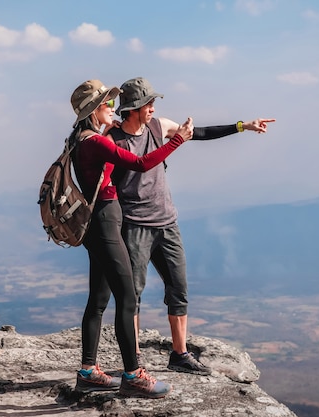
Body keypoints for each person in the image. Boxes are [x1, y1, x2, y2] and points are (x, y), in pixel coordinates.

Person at [107, 77, 275, 375]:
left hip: (167, 222)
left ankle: (180, 354)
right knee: (132, 295)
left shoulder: (159, 126)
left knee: (179, 288)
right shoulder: (114, 140)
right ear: (132, 109)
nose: (153, 107)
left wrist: (242, 125)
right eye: (148, 103)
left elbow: (201, 133)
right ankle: (134, 361)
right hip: (134, 226)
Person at [68, 79, 194, 398]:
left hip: (94, 226)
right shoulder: (95, 142)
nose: (113, 108)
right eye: (107, 104)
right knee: (127, 297)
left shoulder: (78, 139)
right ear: (94, 111)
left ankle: (87, 371)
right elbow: (141, 163)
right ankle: (133, 375)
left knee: (97, 301)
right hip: (106, 223)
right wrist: (177, 140)